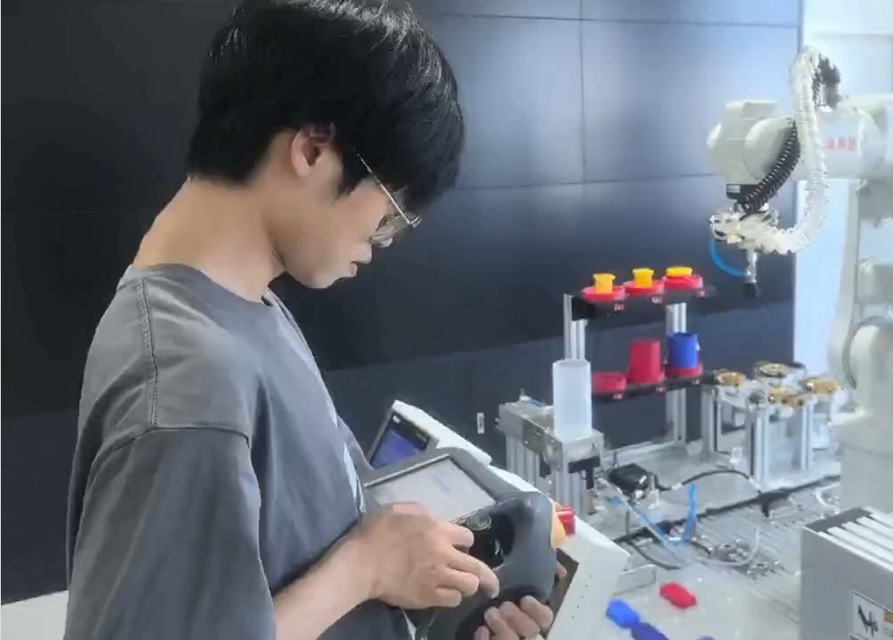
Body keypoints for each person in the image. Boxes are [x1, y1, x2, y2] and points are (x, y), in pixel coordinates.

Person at [64, 2, 556, 638]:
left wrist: (415, 577)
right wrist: (364, 568)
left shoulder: (248, 307)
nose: (379, 242)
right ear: (313, 150)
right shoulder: (190, 384)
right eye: (389, 213)